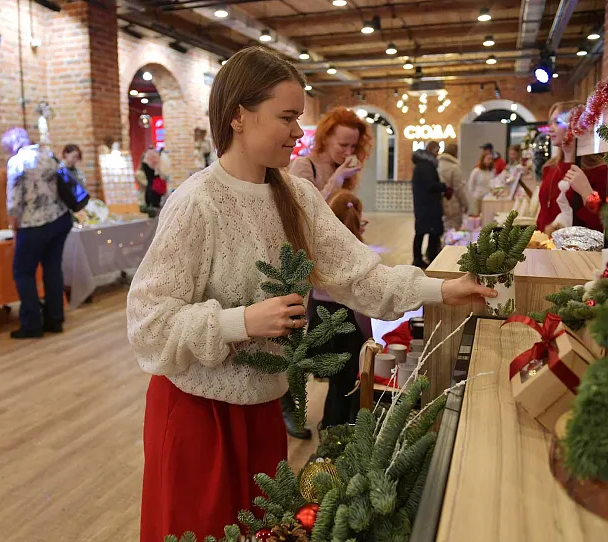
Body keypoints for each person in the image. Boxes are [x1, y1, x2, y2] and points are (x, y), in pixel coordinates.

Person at [126, 46, 497, 541]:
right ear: (238, 116)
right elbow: (148, 322)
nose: (298, 132)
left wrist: (443, 288)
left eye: (298, 118)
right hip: (199, 416)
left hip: (262, 410)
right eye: (286, 117)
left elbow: (359, 277)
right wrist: (242, 322)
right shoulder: (196, 202)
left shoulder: (297, 197)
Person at [309, 189, 372, 429]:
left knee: (335, 383)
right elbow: (361, 306)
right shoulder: (358, 253)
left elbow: (310, 296)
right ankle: (334, 432)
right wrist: (368, 337)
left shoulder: (317, 248)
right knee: (344, 386)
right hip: (346, 325)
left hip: (320, 320)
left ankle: (328, 425)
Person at [2, 127, 72, 339]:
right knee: (52, 269)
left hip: (33, 224)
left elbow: (14, 202)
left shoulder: (17, 162)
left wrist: (14, 228)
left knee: (23, 272)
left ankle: (31, 324)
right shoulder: (48, 155)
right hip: (60, 219)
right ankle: (55, 319)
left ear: (12, 146)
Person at [536, 101, 608, 234]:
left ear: (576, 126)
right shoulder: (550, 168)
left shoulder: (598, 170)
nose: (550, 129)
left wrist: (587, 193)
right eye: (550, 123)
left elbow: (602, 219)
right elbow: (543, 213)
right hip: (545, 243)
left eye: (558, 122)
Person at [287, 107, 370, 199]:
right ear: (325, 138)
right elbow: (304, 206)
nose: (349, 152)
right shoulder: (304, 165)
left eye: (353, 146)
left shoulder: (341, 168)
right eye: (343, 145)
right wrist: (338, 177)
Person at [411, 141, 446, 268]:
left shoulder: (421, 165)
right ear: (432, 150)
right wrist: (443, 186)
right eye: (437, 150)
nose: (438, 153)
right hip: (429, 206)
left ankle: (418, 258)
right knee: (432, 232)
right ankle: (431, 258)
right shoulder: (427, 166)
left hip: (422, 205)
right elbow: (431, 185)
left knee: (420, 232)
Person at [437, 142, 468, 231]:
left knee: (444, 228)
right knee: (453, 229)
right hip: (453, 203)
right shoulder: (454, 167)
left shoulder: (437, 164)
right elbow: (458, 188)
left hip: (440, 202)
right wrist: (465, 204)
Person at [468, 149, 495, 215]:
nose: (490, 161)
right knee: (477, 215)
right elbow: (470, 184)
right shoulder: (476, 171)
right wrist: (474, 194)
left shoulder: (492, 171)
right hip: (478, 197)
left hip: (488, 198)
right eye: (488, 159)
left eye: (491, 159)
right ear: (483, 159)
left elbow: (493, 184)